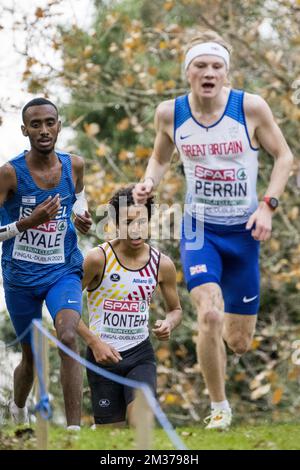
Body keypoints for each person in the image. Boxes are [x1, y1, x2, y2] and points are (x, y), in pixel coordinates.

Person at [133, 30, 294, 429]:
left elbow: (285, 156)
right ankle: (220, 407)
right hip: (199, 229)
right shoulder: (170, 114)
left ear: (226, 73)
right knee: (207, 316)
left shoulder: (250, 108)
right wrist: (148, 182)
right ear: (188, 72)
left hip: (244, 232)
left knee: (238, 341)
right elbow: (159, 157)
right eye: (200, 66)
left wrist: (267, 207)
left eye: (216, 66)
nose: (209, 73)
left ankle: (220, 349)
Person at [0, 97, 92, 428]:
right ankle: (19, 405)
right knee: (31, 355)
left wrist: (82, 216)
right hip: (21, 278)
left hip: (62, 270)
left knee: (68, 335)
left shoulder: (74, 164)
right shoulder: (9, 174)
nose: (44, 130)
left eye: (49, 122)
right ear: (24, 130)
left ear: (59, 126)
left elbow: (79, 195)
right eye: (35, 124)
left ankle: (74, 430)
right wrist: (27, 223)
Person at [77, 186, 182, 426]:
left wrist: (169, 323)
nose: (135, 229)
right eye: (127, 222)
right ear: (114, 223)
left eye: (141, 221)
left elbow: (176, 309)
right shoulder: (97, 259)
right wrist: (94, 343)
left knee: (141, 425)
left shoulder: (162, 264)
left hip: (140, 355)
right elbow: (65, 309)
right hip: (102, 357)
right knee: (111, 438)